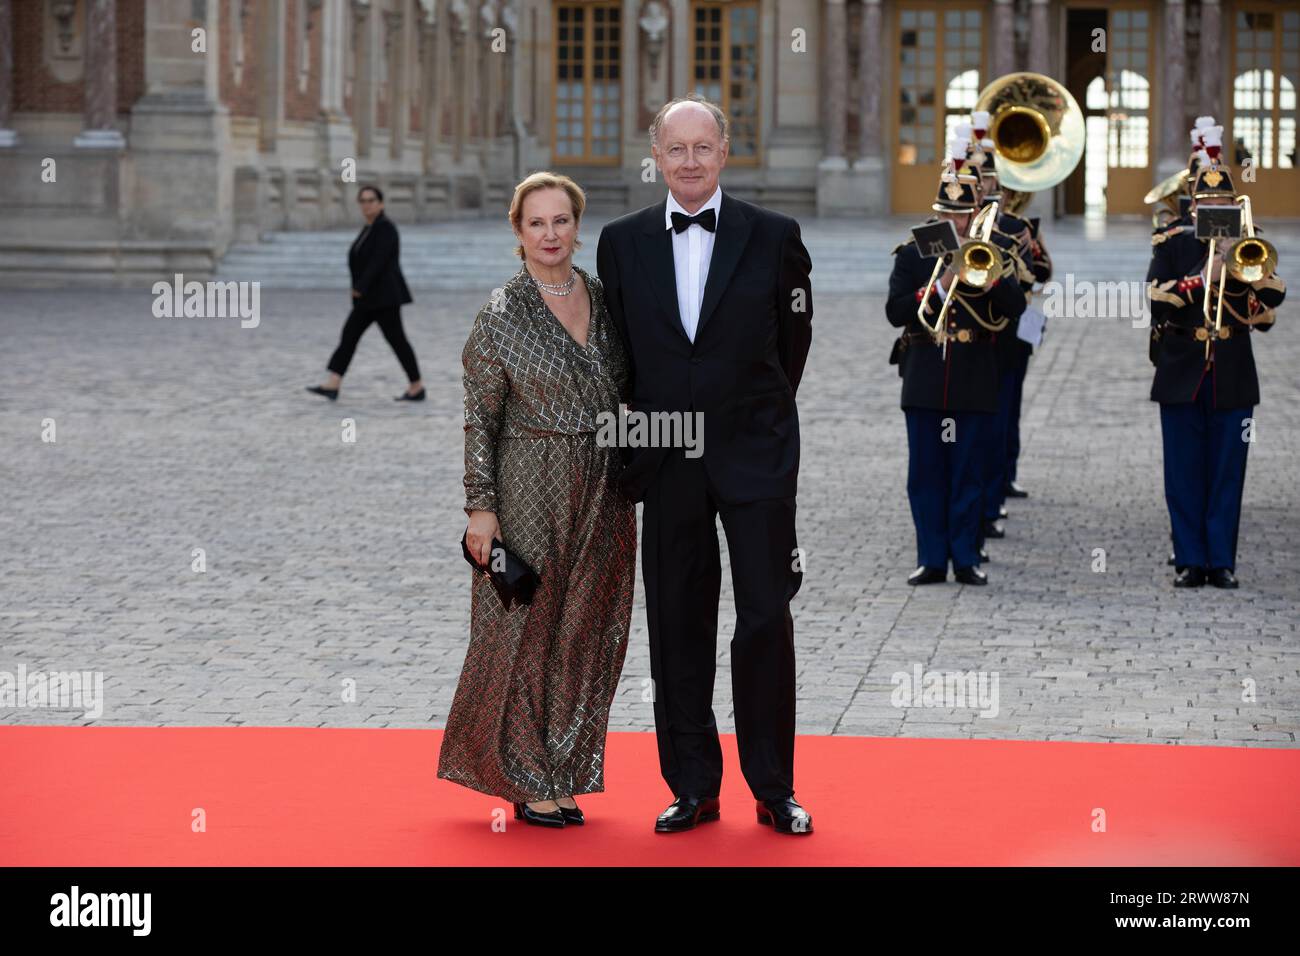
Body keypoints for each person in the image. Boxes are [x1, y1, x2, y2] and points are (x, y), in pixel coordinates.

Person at [596, 94, 814, 836]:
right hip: (668, 457)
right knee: (678, 625)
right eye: (675, 149)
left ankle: (773, 787)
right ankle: (693, 784)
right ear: (655, 157)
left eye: (702, 147)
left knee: (764, 619)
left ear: (725, 153)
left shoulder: (775, 235)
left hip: (755, 458)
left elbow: (793, 348)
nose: (689, 161)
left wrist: (752, 420)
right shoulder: (621, 242)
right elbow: (618, 357)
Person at [436, 172, 636, 828]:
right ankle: (524, 774)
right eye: (536, 223)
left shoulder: (608, 302)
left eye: (561, 221)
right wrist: (480, 509)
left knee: (587, 630)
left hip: (604, 490)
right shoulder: (501, 314)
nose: (550, 234)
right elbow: (479, 419)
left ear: (578, 228)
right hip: (527, 485)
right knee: (523, 630)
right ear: (517, 234)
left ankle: (561, 766)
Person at [885, 145, 1027, 586]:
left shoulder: (993, 249)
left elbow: (1015, 307)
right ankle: (931, 557)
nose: (957, 225)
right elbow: (894, 311)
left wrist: (988, 269)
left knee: (970, 470)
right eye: (948, 215)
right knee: (925, 473)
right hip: (926, 372)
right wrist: (944, 280)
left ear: (975, 213)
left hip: (974, 372)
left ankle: (965, 557)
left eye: (963, 216)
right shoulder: (913, 253)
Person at [1146, 148, 1286, 588]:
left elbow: (1270, 307)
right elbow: (1156, 296)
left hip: (1232, 372)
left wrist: (1240, 267)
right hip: (1181, 369)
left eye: (1222, 205)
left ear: (1232, 206)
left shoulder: (1251, 241)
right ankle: (1190, 559)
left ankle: (1221, 560)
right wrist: (1206, 274)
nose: (1213, 212)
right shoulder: (1171, 241)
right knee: (1183, 471)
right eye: (1206, 206)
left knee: (1228, 470)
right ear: (1193, 204)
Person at [306, 184, 425, 402]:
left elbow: (378, 262)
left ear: (380, 203)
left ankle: (416, 386)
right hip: (370, 298)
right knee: (349, 336)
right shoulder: (369, 228)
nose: (366, 204)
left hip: (384, 298)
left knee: (396, 340)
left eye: (371, 200)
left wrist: (360, 287)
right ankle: (333, 383)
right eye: (363, 200)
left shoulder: (385, 228)